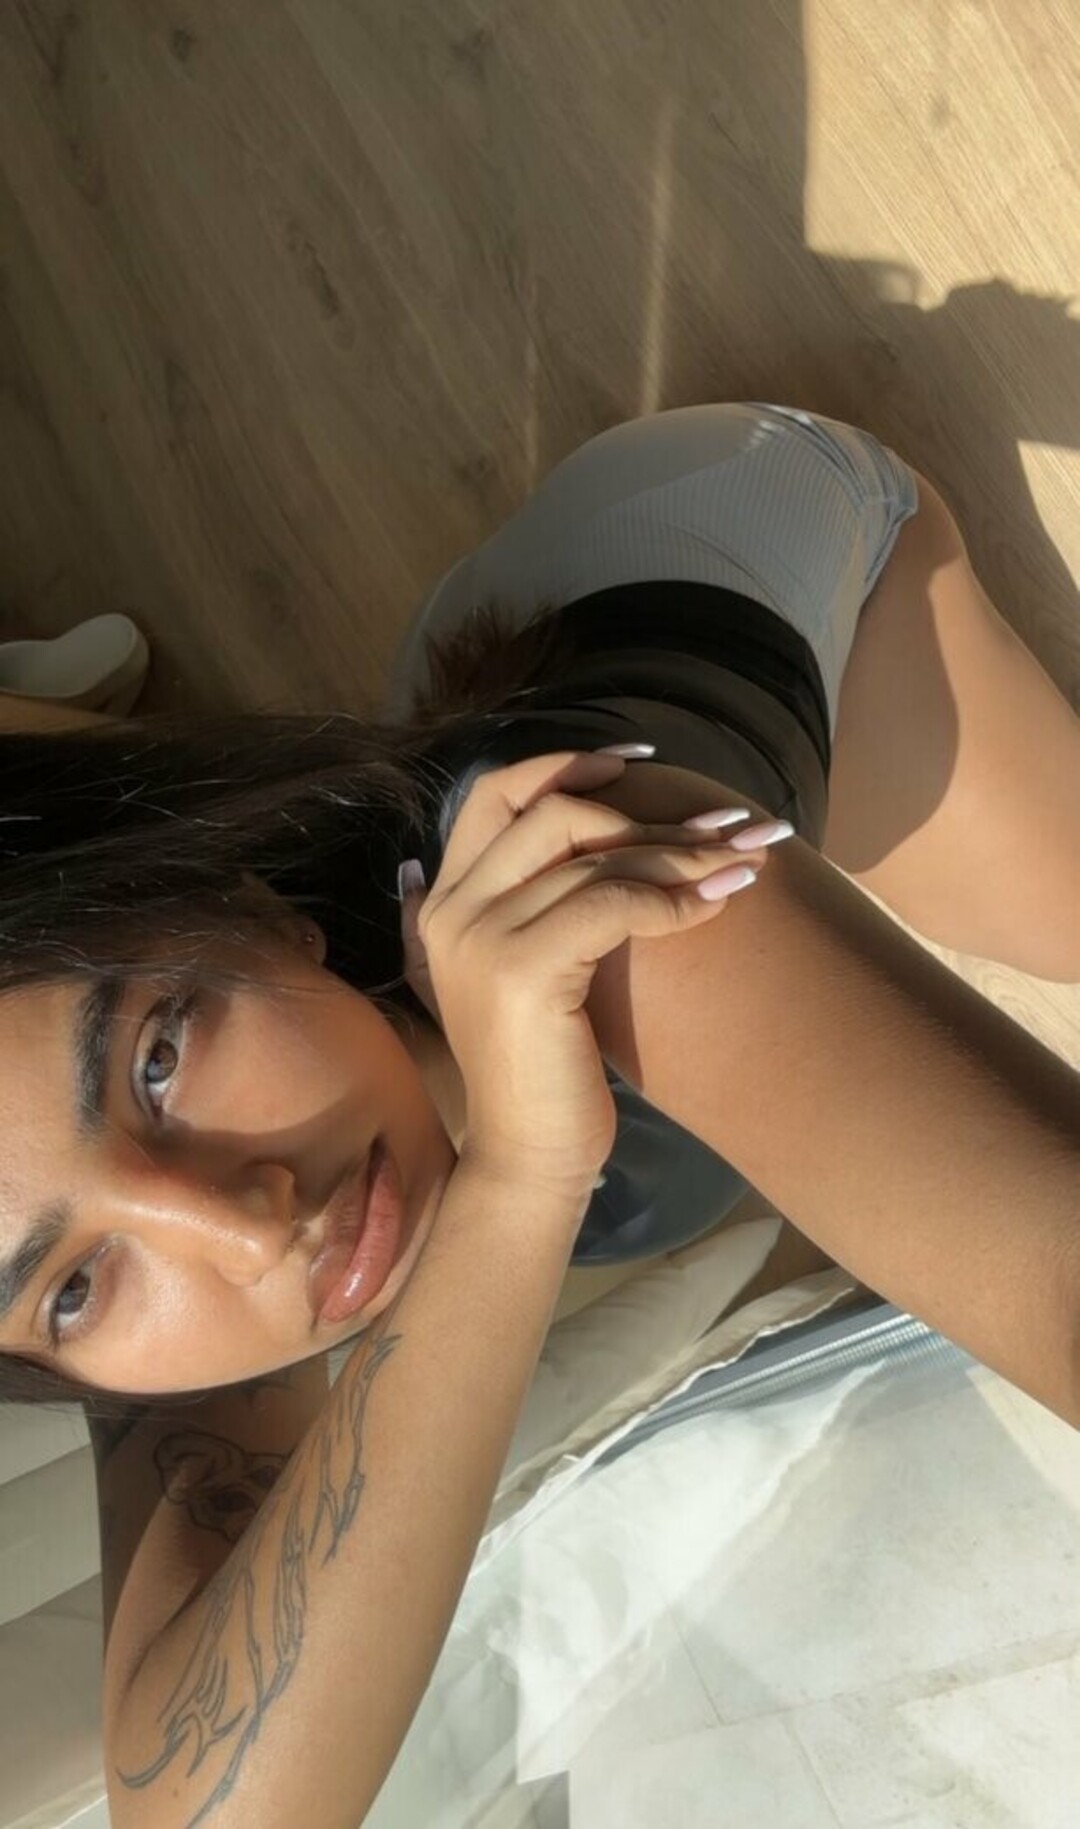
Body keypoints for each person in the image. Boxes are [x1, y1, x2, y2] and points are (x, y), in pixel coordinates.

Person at [0, 402, 1077, 1827]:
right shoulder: (189, 1284)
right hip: (485, 658)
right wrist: (515, 1181)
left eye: (154, 1060)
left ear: (239, 899)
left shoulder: (605, 916)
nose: (246, 1225)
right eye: (73, 1288)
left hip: (732, 532)